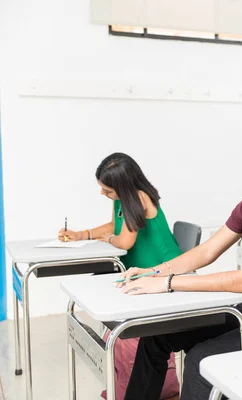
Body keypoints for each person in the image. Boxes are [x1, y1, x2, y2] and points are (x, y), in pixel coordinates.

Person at [119, 125, 242, 400]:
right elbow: (208, 251)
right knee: (156, 336)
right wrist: (156, 271)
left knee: (201, 362)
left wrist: (167, 284)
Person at [58, 152, 181, 400]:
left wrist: (108, 239)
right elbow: (116, 226)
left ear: (122, 187)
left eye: (107, 190)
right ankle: (121, 380)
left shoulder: (136, 197)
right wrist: (84, 234)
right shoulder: (124, 198)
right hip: (139, 271)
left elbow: (123, 239)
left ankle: (131, 385)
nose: (103, 194)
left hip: (160, 272)